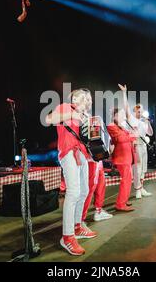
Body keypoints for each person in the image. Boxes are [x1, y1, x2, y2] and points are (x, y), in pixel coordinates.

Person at [45, 88, 97, 256]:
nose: (87, 100)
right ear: (75, 98)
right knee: (74, 192)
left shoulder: (85, 116)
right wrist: (71, 115)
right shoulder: (65, 107)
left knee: (84, 191)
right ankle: (67, 237)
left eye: (88, 98)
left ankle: (77, 226)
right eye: (84, 97)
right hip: (68, 153)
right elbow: (48, 119)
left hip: (82, 154)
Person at [119, 84, 153, 199]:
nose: (140, 113)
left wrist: (147, 121)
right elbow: (126, 106)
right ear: (135, 112)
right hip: (135, 146)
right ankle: (138, 189)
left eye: (142, 111)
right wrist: (124, 93)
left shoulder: (144, 122)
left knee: (143, 168)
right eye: (139, 111)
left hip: (143, 145)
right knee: (137, 169)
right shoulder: (132, 119)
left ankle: (141, 188)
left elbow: (150, 133)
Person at [107, 107, 138, 212]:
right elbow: (120, 139)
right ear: (115, 116)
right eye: (121, 115)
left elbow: (127, 136)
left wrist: (132, 134)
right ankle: (120, 204)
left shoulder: (121, 127)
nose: (123, 117)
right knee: (126, 180)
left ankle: (123, 201)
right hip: (122, 158)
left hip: (127, 157)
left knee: (128, 180)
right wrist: (132, 136)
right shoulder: (111, 126)